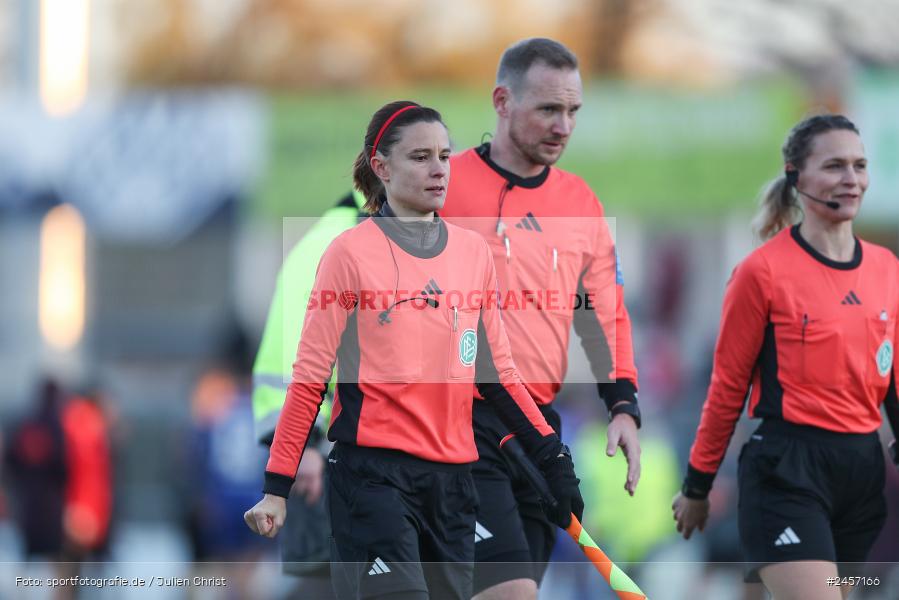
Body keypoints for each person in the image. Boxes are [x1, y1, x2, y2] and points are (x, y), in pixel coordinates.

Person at [245, 100, 584, 600]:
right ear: (381, 168)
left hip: (453, 485)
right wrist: (277, 487)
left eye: (444, 156)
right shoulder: (348, 252)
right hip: (372, 482)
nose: (438, 170)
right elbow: (310, 376)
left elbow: (498, 376)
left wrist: (554, 462)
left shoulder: (472, 254)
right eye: (420, 157)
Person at [439, 38, 642, 599]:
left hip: (537, 430)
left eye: (573, 110)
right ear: (502, 101)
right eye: (548, 109)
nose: (564, 125)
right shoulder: (441, 186)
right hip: (456, 425)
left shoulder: (580, 202)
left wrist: (621, 404)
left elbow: (602, 313)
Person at [672, 114, 899, 599]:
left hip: (861, 475)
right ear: (796, 175)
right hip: (786, 472)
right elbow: (727, 387)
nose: (851, 179)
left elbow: (892, 377)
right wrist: (697, 487)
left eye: (859, 165)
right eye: (834, 166)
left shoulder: (886, 267)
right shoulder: (762, 272)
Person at [252, 189, 366, 598]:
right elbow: (290, 357)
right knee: (328, 583)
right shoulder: (334, 243)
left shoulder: (356, 235)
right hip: (324, 455)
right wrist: (307, 447)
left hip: (337, 451)